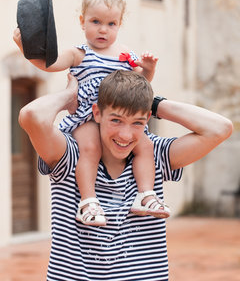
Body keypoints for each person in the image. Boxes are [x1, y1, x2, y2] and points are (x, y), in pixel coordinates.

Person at [16, 69, 232, 281]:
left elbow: (220, 128)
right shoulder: (71, 155)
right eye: (116, 120)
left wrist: (153, 103)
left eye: (137, 122)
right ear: (97, 113)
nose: (125, 135)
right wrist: (71, 96)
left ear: (148, 118)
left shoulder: (155, 156)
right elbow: (31, 116)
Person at [13, 0, 171, 227]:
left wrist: (148, 68)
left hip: (118, 118)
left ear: (119, 25)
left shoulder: (124, 54)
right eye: (96, 21)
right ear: (82, 21)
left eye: (111, 24)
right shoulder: (79, 53)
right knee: (89, 148)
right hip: (87, 116)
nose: (103, 29)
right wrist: (25, 49)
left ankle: (146, 195)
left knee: (146, 147)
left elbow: (140, 84)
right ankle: (88, 202)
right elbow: (50, 64)